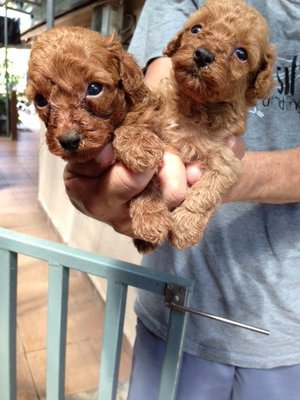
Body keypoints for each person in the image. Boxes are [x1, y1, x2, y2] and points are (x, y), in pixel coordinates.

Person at [63, 1, 300, 399]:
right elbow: (155, 95)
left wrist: (222, 180)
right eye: (196, 32)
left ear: (258, 78)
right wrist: (140, 173)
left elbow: (220, 166)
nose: (206, 49)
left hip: (285, 322)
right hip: (173, 305)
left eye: (240, 54)